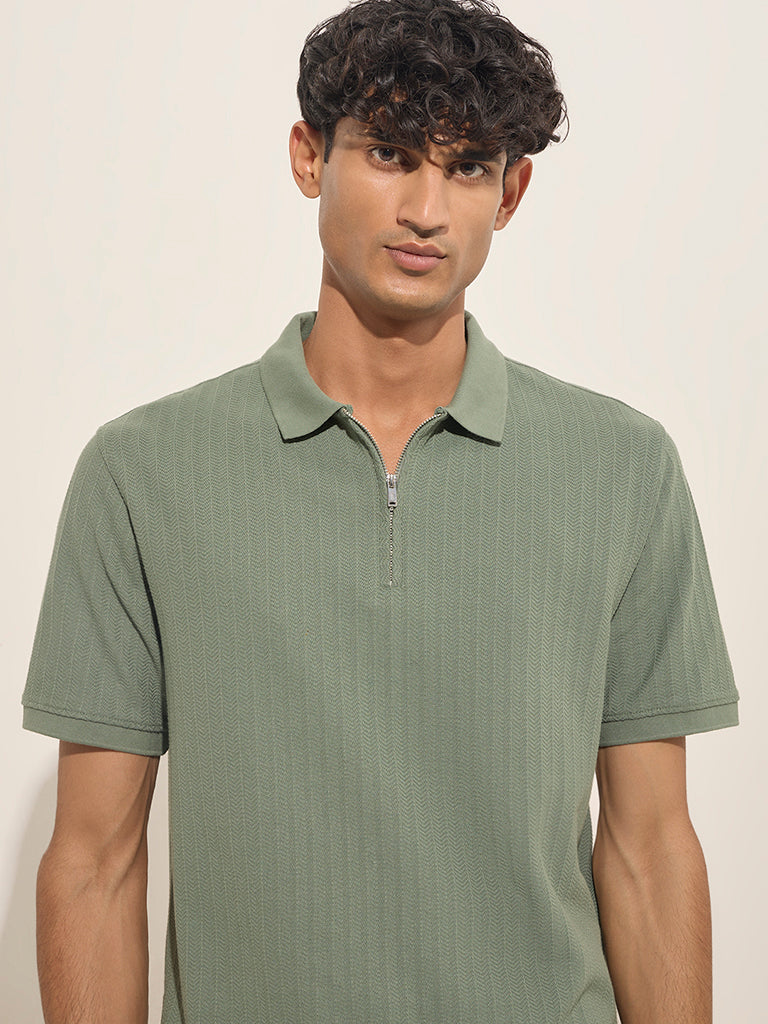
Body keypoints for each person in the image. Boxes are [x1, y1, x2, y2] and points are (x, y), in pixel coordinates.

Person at [22, 0, 739, 1021]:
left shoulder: (623, 469)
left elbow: (650, 846)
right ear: (309, 156)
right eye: (392, 154)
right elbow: (95, 862)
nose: (427, 210)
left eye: (468, 167)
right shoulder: (142, 474)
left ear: (512, 192)